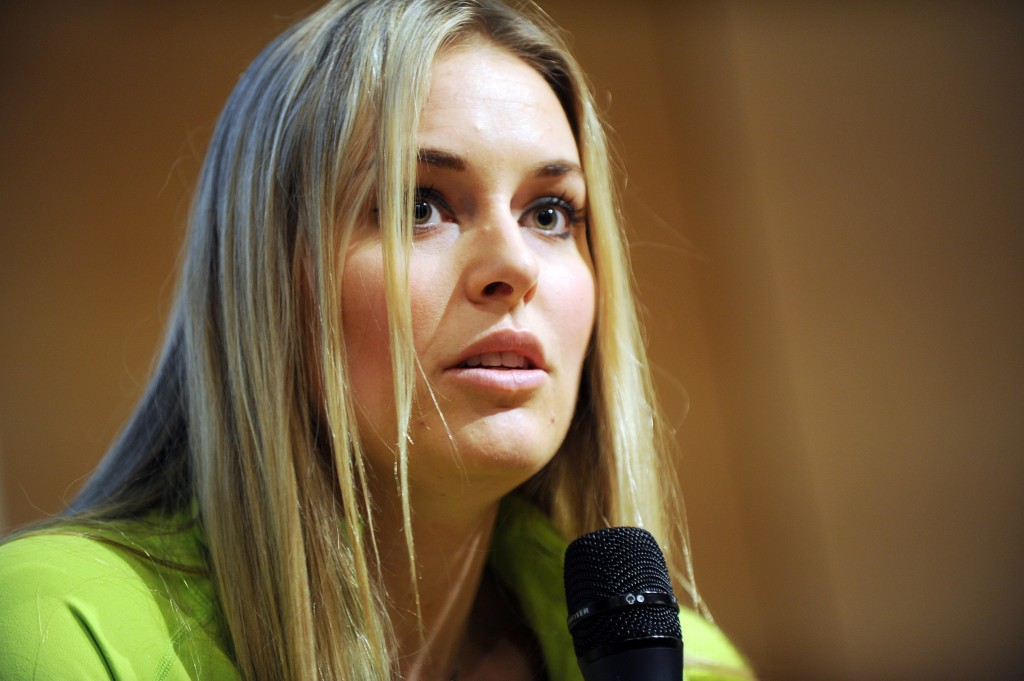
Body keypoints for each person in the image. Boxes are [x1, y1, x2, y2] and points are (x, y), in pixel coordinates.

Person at [0, 1, 753, 679]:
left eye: (550, 212)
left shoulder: (697, 670)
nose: (514, 267)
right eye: (418, 204)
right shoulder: (57, 627)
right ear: (268, 279)